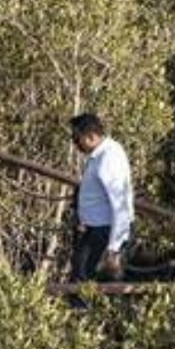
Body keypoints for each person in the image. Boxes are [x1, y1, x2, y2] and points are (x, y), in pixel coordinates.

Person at [69, 113, 134, 282]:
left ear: (91, 136)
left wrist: (114, 249)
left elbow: (120, 206)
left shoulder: (108, 158)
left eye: (77, 138)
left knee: (83, 279)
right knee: (83, 276)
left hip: (105, 231)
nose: (75, 143)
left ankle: (82, 308)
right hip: (96, 229)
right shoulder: (100, 154)